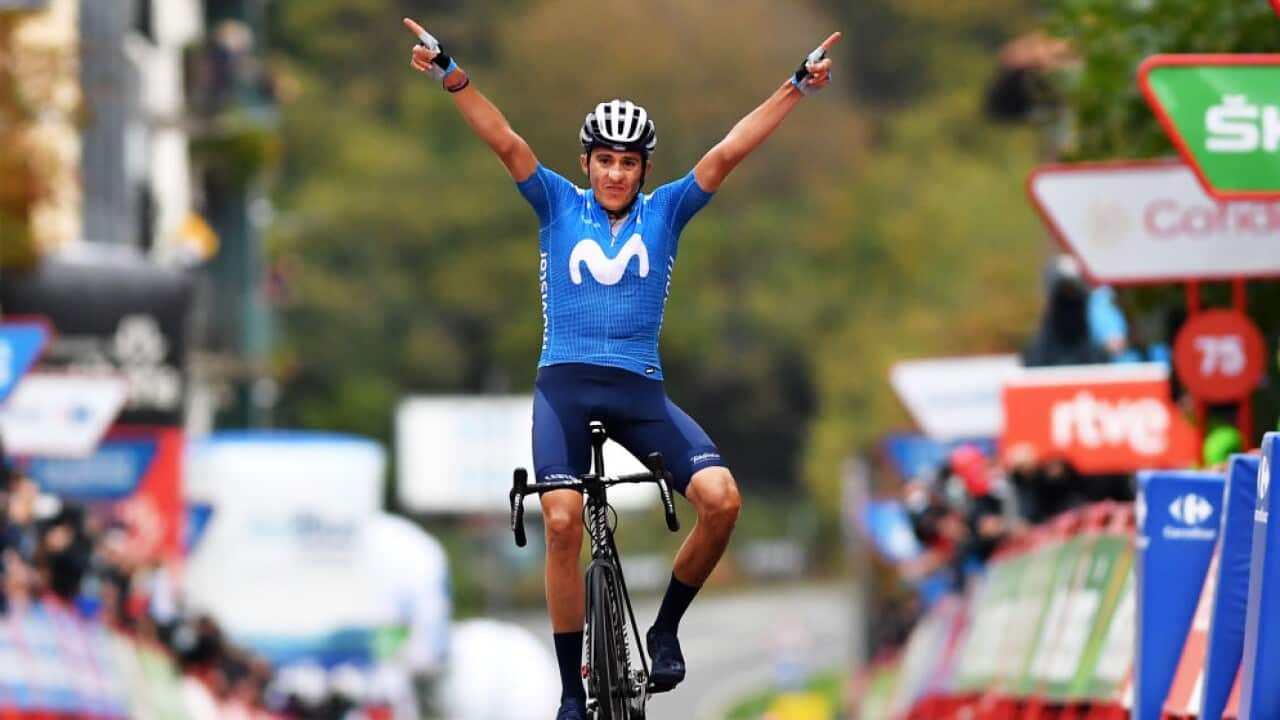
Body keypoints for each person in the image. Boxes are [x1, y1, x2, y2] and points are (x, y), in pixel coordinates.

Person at [403, 17, 839, 719]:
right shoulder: (554, 203)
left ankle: (664, 631)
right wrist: (451, 74)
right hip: (565, 390)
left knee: (723, 500)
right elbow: (505, 139)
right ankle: (570, 692)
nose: (615, 173)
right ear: (586, 163)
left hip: (640, 393)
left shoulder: (666, 212)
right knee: (561, 520)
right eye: (605, 160)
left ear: (644, 170)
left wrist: (796, 86)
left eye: (628, 162)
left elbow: (730, 149)